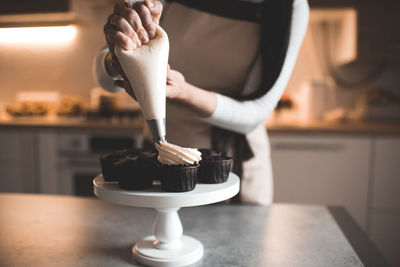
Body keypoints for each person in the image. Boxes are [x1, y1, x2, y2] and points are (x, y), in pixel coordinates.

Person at [94, 0, 309, 205]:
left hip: (231, 169)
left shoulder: (288, 7)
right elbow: (107, 79)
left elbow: (257, 112)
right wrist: (120, 59)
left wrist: (184, 93)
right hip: (156, 160)